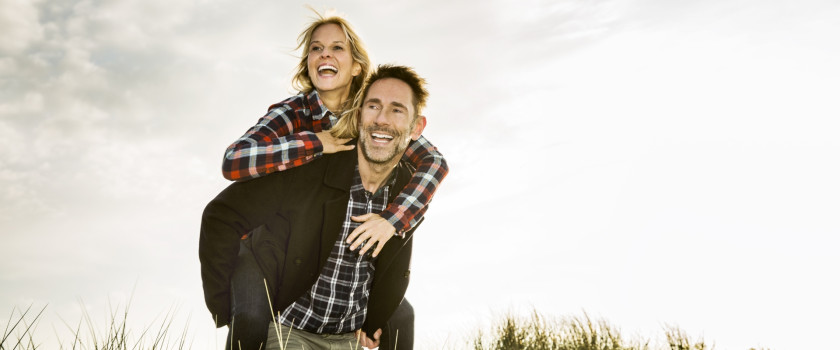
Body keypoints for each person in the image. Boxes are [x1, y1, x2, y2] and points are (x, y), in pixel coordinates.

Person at [217, 14, 445, 350]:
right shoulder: (293, 112)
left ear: (356, 66)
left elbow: (433, 162)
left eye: (337, 48)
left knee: (400, 315)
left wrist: (391, 219)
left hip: (334, 249)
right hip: (278, 246)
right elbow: (235, 160)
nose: (325, 54)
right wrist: (313, 142)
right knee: (252, 318)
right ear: (307, 64)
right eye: (316, 49)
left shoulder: (370, 114)